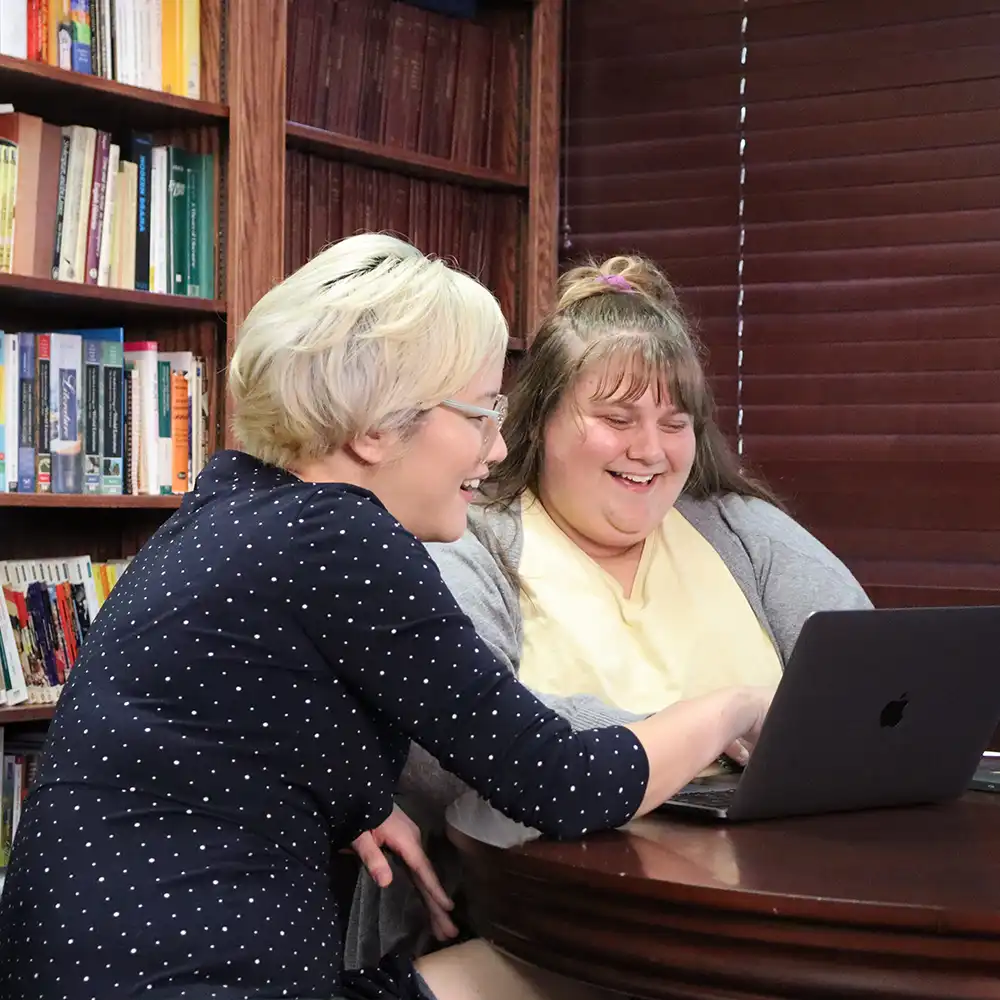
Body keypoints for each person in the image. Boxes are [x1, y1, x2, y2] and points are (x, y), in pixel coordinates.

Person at [0, 235, 773, 1000]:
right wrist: (734, 705)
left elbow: (212, 739)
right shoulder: (342, 536)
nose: (499, 447)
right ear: (375, 429)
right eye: (479, 414)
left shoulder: (228, 504)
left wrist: (358, 808)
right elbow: (561, 782)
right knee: (599, 973)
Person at [347, 253, 872, 966]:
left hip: (774, 907)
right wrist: (713, 727)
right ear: (541, 421)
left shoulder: (741, 527)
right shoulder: (466, 536)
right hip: (540, 927)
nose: (650, 450)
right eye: (617, 418)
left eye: (675, 422)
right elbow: (469, 750)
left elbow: (869, 687)